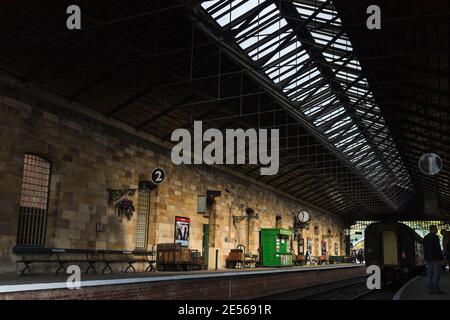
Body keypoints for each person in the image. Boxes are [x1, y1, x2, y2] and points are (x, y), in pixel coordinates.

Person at [424, 225, 445, 294]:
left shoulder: (425, 237)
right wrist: (441, 259)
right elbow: (438, 248)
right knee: (436, 273)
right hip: (436, 258)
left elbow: (425, 249)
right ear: (433, 229)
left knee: (429, 274)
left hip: (429, 258)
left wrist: (425, 258)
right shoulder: (435, 237)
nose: (437, 230)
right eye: (436, 229)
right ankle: (436, 289)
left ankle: (430, 289)